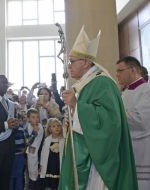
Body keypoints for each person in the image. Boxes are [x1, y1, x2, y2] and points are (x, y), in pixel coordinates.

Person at [59, 26, 138, 190]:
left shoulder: (102, 83)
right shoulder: (85, 84)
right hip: (86, 151)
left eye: (72, 61)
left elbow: (110, 122)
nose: (69, 66)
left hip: (98, 161)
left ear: (86, 63)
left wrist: (76, 105)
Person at [116, 56, 150, 190]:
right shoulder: (124, 92)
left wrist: (115, 113)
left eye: (120, 70)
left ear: (132, 70)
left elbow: (141, 120)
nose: (117, 74)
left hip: (141, 149)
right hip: (126, 147)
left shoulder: (147, 90)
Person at [40, 118, 65, 190]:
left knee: (57, 184)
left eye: (58, 126)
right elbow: (43, 154)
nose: (56, 127)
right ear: (50, 129)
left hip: (58, 165)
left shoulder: (63, 140)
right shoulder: (47, 139)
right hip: (49, 165)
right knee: (49, 184)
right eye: (53, 126)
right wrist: (41, 165)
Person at [25, 108, 44, 190]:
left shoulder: (40, 127)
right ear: (28, 119)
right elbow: (28, 142)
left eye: (37, 117)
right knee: (31, 175)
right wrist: (34, 132)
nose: (36, 119)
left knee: (40, 173)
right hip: (31, 154)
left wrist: (36, 131)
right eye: (33, 117)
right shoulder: (27, 127)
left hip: (40, 153)